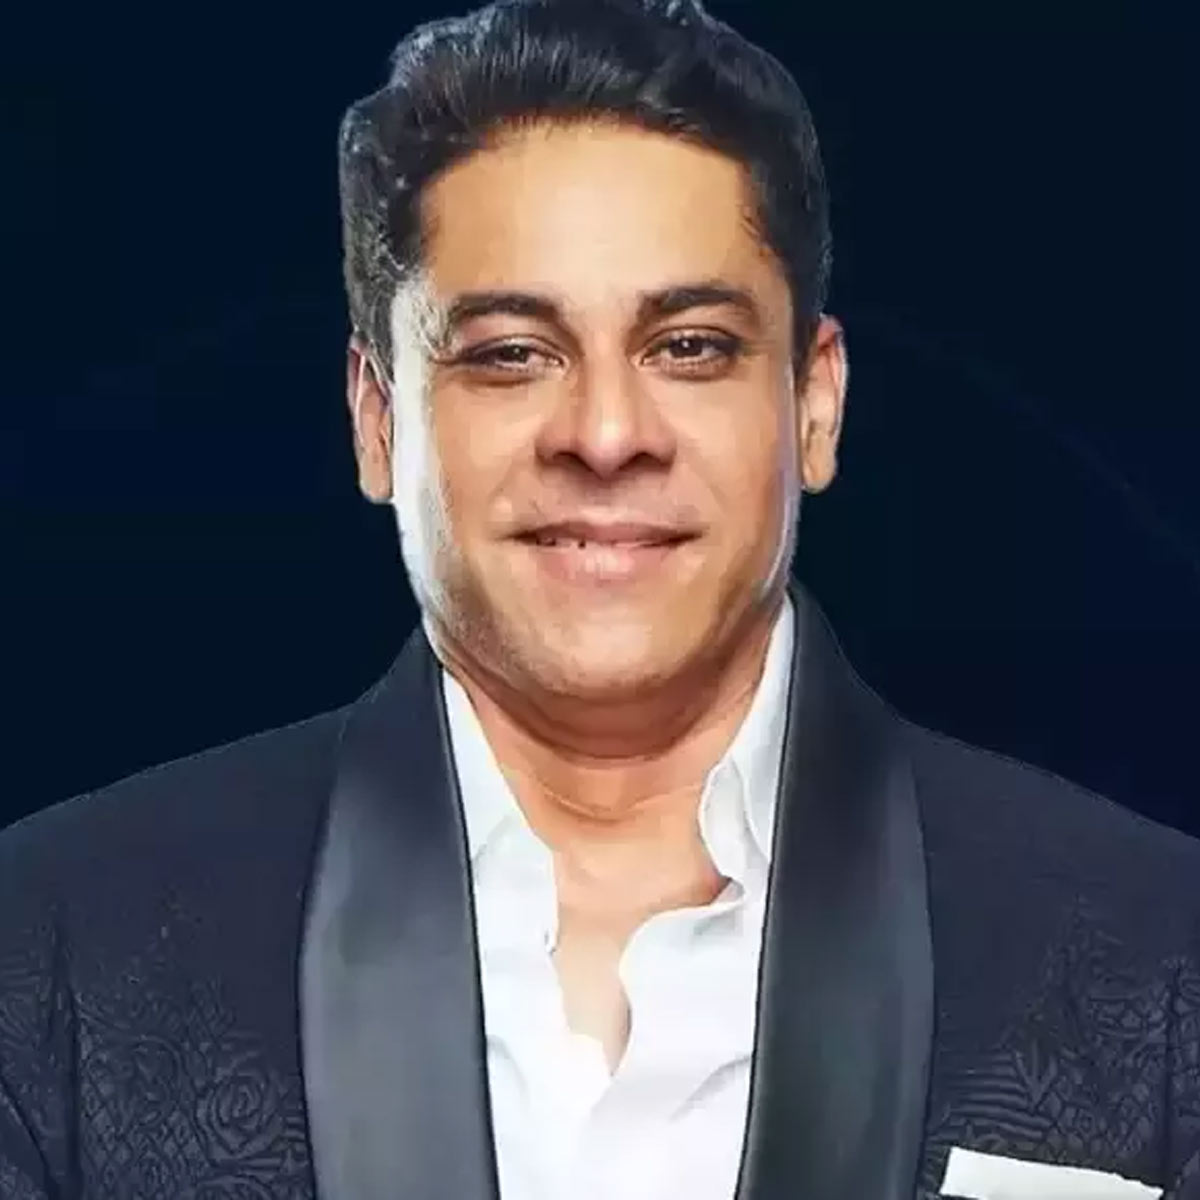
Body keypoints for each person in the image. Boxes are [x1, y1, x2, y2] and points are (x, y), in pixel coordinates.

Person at [2, 1, 1198, 1197]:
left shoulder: (1160, 965)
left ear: (815, 403)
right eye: (511, 353)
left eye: (690, 346)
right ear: (377, 419)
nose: (608, 434)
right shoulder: (52, 961)